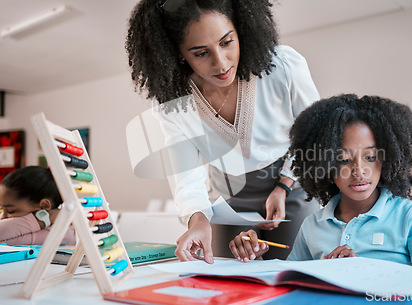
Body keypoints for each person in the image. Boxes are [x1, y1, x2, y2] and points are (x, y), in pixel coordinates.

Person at [126, 0, 320, 263]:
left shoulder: (283, 67)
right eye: (200, 53)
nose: (221, 63)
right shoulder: (173, 105)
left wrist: (284, 186)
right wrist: (198, 219)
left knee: (292, 271)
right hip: (227, 201)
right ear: (179, 54)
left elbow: (313, 135)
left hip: (291, 187)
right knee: (226, 274)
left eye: (227, 42)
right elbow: (187, 174)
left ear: (241, 31)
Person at [229, 94, 412, 270]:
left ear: (386, 159)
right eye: (344, 160)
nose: (359, 170)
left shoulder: (410, 216)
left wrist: (360, 270)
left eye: (370, 157)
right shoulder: (312, 225)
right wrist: (255, 259)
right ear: (325, 164)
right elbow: (293, 286)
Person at [0, 166, 76, 246]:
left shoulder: (64, 232)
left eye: (10, 211)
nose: (3, 217)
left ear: (44, 206)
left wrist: (40, 220)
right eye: (2, 209)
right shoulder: (11, 219)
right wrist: (45, 219)